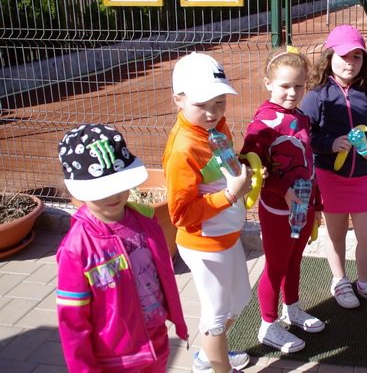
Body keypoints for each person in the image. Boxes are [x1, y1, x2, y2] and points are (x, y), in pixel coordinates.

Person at [56, 123, 189, 372]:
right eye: (100, 189)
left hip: (156, 340)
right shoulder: (76, 249)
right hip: (113, 358)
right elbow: (72, 322)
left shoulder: (145, 222)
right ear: (75, 193)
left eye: (119, 183)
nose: (113, 195)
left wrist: (178, 323)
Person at [163, 52, 254, 373]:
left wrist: (242, 169)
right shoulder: (183, 149)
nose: (213, 113)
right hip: (204, 244)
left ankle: (209, 355)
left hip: (227, 236)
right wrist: (231, 194)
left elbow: (223, 166)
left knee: (240, 300)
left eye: (219, 103)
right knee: (215, 317)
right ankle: (216, 364)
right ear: (178, 99)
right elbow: (181, 215)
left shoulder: (219, 128)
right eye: (202, 105)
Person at [300, 25, 367, 310]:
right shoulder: (317, 95)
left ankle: (365, 282)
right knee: (336, 233)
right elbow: (305, 134)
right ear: (329, 56)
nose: (350, 63)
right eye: (344, 56)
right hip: (330, 177)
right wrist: (330, 143)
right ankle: (340, 280)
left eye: (357, 57)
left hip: (363, 177)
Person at [241, 46, 325, 353]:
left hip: (302, 204)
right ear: (268, 83)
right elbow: (252, 167)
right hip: (277, 209)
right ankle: (268, 323)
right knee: (275, 266)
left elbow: (309, 163)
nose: (292, 93)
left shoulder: (301, 118)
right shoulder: (262, 124)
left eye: (299, 86)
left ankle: (292, 307)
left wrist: (316, 204)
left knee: (294, 260)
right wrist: (283, 190)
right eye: (284, 86)